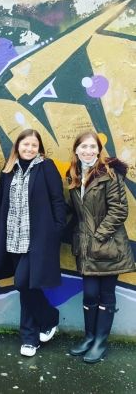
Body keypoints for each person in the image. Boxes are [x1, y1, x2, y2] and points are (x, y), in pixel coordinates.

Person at [0, 129, 66, 357]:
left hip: (37, 239)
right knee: (27, 288)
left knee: (23, 283)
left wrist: (56, 230)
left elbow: (58, 200)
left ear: (39, 148)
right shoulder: (8, 170)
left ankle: (46, 321)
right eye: (25, 145)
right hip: (13, 238)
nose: (29, 149)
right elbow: (0, 203)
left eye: (34, 145)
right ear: (18, 146)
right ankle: (31, 339)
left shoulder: (46, 167)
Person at [66, 131, 135, 363]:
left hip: (108, 246)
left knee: (105, 294)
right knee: (89, 293)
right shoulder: (73, 175)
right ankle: (89, 337)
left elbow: (119, 210)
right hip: (85, 247)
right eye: (83, 147)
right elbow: (73, 211)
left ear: (98, 150)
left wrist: (98, 236)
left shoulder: (109, 175)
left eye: (92, 147)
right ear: (76, 150)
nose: (88, 151)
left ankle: (100, 342)